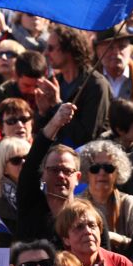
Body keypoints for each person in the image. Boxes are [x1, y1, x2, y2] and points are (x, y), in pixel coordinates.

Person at [16, 101, 79, 242]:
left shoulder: (87, 217)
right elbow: (33, 161)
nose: (61, 176)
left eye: (67, 171)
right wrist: (55, 123)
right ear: (42, 175)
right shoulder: (30, 207)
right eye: (54, 170)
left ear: (78, 177)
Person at [40, 25, 112, 147]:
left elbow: (87, 138)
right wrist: (43, 112)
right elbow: (42, 135)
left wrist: (57, 105)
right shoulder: (55, 82)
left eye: (51, 48)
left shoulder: (96, 85)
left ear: (69, 49)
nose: (45, 53)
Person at [77, 140, 133, 252]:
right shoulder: (76, 205)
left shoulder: (129, 203)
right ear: (86, 173)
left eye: (108, 168)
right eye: (95, 168)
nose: (102, 173)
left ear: (118, 172)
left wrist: (117, 239)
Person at [54, 199, 133, 266]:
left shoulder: (121, 265)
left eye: (92, 225)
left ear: (100, 230)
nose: (88, 231)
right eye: (79, 227)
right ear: (66, 239)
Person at [0, 137, 31, 244]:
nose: (24, 162)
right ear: (4, 169)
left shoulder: (47, 193)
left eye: (28, 157)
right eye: (16, 160)